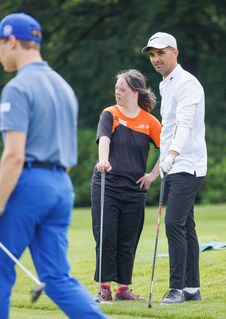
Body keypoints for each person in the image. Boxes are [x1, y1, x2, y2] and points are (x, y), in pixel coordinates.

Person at [0, 13, 108, 319]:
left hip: (29, 184)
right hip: (61, 187)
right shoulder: (62, 86)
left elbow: (14, 155)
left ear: (10, 41)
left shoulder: (17, 88)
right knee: (57, 277)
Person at [142, 32, 207, 304]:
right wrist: (163, 163)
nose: (156, 59)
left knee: (173, 224)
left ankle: (176, 288)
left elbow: (185, 123)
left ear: (175, 53)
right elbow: (168, 128)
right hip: (172, 165)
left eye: (161, 53)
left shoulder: (187, 83)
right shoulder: (165, 84)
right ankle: (192, 288)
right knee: (186, 226)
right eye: (152, 55)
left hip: (187, 165)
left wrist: (171, 154)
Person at [91, 69, 161, 302]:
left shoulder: (149, 121)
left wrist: (152, 175)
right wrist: (104, 159)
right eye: (116, 88)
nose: (117, 92)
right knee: (106, 235)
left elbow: (169, 147)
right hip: (107, 185)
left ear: (135, 92)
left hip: (134, 190)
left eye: (122, 89)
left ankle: (122, 290)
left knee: (128, 239)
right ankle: (104, 289)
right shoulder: (109, 114)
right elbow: (104, 139)